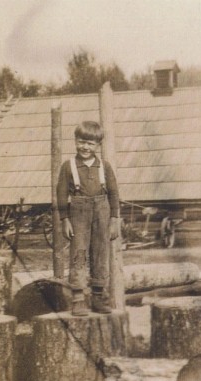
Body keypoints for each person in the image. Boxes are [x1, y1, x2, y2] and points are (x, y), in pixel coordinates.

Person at [57, 121, 120, 316]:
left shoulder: (104, 167)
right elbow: (60, 194)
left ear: (98, 146)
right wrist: (64, 219)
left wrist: (114, 220)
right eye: (82, 142)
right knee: (79, 252)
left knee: (101, 252)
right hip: (78, 211)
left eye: (91, 144)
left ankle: (98, 297)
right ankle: (78, 298)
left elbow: (114, 193)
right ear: (75, 141)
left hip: (102, 211)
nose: (85, 147)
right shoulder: (69, 166)